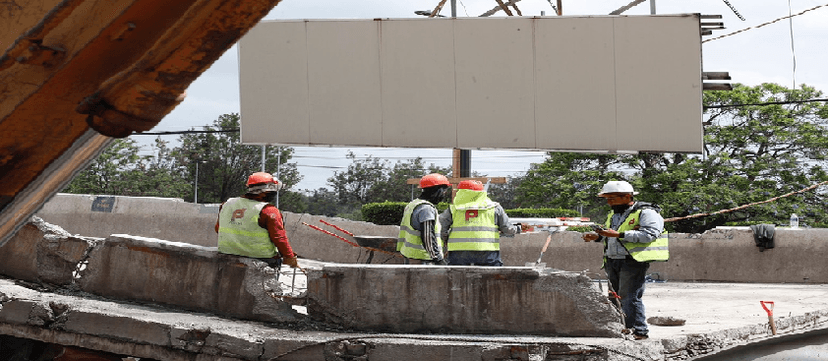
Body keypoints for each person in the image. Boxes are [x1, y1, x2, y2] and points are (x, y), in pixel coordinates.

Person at [581, 180, 669, 340]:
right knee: (614, 297)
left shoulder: (646, 213)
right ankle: (621, 328)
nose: (609, 202)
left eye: (612, 198)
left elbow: (649, 234)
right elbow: (611, 235)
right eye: (607, 199)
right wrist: (597, 237)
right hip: (612, 260)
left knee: (629, 296)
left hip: (632, 260)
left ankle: (639, 331)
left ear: (627, 196)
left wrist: (618, 235)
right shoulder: (614, 215)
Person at [215, 172, 299, 269]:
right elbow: (279, 238)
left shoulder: (226, 204)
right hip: (262, 259)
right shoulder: (268, 210)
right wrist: (289, 257)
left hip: (227, 254)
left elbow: (218, 229)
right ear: (266, 191)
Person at [439, 180, 521, 266]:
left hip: (458, 251)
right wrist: (518, 228)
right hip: (488, 250)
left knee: (458, 277)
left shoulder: (453, 209)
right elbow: (507, 229)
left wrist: (446, 241)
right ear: (482, 193)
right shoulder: (494, 207)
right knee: (491, 277)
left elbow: (440, 228)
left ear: (461, 192)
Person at [397, 173, 451, 264]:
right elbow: (427, 236)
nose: (444, 195)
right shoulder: (426, 209)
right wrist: (438, 259)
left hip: (410, 256)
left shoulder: (413, 204)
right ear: (438, 191)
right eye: (444, 191)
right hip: (423, 259)